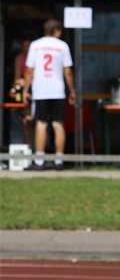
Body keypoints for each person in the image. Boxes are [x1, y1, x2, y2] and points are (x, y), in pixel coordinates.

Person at [23, 18, 74, 171]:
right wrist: (72, 91)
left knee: (41, 123)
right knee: (58, 124)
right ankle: (59, 160)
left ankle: (39, 160)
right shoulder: (62, 46)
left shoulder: (35, 45)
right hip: (57, 90)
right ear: (56, 30)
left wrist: (26, 89)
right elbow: (68, 72)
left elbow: (30, 71)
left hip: (41, 91)